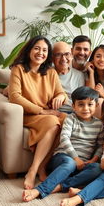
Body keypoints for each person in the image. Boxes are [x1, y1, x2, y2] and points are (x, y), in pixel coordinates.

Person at [22, 86, 103, 202]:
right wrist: (75, 158)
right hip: (64, 158)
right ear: (73, 106)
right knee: (70, 163)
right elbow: (64, 138)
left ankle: (60, 186)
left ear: (96, 105)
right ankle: (40, 189)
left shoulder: (99, 124)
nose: (85, 108)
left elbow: (100, 145)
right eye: (80, 104)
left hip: (83, 163)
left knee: (97, 169)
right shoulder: (71, 119)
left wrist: (94, 159)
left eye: (90, 104)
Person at [8, 35, 67, 189]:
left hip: (46, 115)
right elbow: (15, 97)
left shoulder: (50, 72)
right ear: (29, 50)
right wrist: (42, 111)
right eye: (37, 48)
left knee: (65, 121)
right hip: (28, 115)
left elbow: (62, 93)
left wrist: (60, 96)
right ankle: (33, 170)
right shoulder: (18, 69)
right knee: (53, 121)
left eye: (45, 50)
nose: (41, 52)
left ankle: (41, 166)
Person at [53, 41, 85, 113]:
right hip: (53, 112)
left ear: (71, 56)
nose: (63, 59)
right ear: (52, 57)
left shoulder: (79, 75)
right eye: (58, 55)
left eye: (67, 54)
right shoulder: (48, 74)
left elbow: (81, 100)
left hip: (73, 112)